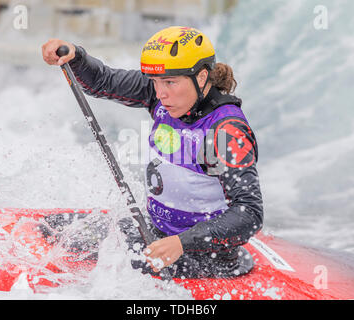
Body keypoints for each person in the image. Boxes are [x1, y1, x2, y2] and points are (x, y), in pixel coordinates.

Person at [41, 26, 263, 278]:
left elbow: (249, 214)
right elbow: (104, 81)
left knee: (99, 264)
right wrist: (76, 57)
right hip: (157, 233)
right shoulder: (162, 92)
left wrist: (182, 242)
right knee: (55, 228)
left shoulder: (223, 131)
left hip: (202, 256)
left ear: (201, 77)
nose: (160, 93)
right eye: (155, 82)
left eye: (169, 82)